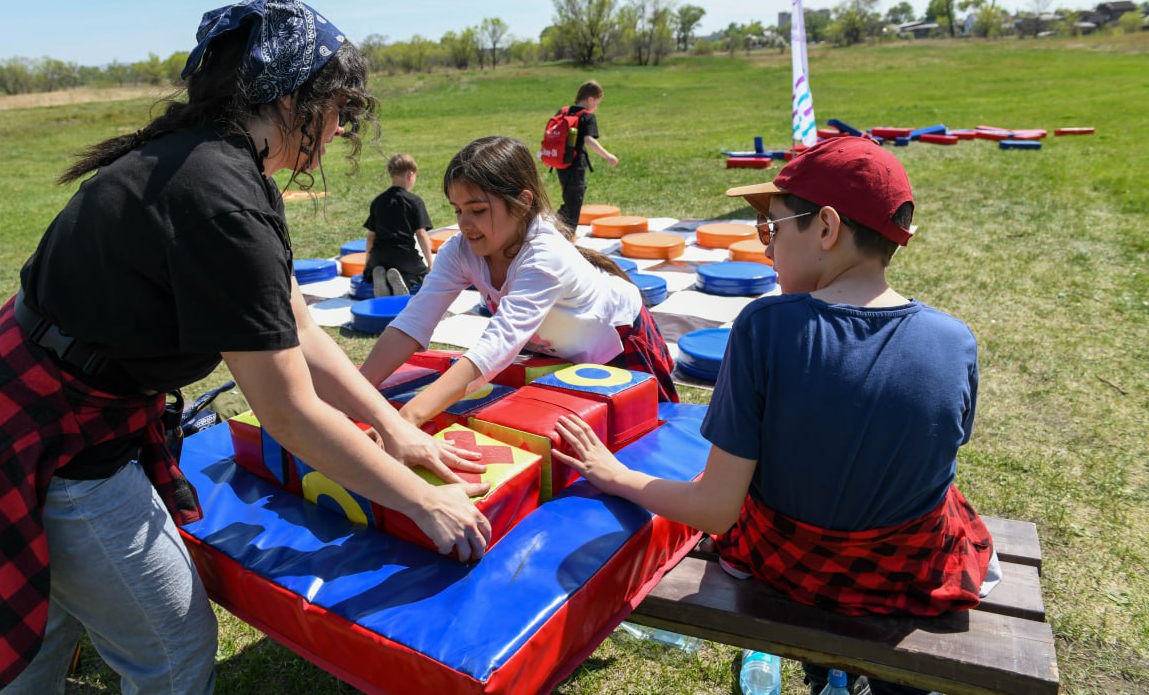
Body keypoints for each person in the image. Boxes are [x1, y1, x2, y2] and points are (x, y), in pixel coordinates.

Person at [0, 0, 491, 695]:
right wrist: (423, 501)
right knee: (171, 648)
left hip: (28, 393)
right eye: (340, 108)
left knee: (41, 630)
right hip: (56, 437)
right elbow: (287, 413)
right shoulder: (220, 197)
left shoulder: (220, 166)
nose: (341, 128)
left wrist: (393, 431)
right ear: (295, 97)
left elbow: (300, 331)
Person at [551, 137, 998, 695]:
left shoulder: (764, 327)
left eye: (774, 229)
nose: (766, 249)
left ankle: (826, 675)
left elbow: (714, 511)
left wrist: (615, 474)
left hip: (791, 569)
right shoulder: (956, 340)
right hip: (908, 573)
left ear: (828, 228)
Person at [359, 135, 677, 428]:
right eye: (457, 210)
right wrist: (357, 392)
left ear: (523, 202)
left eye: (478, 210)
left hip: (619, 339)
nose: (464, 224)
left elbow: (498, 345)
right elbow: (414, 322)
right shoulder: (460, 251)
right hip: (559, 346)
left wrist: (406, 419)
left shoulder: (544, 254)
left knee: (640, 433)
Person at [363, 153, 434, 296]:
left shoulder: (378, 201)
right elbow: (421, 234)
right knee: (422, 275)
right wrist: (430, 263)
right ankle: (404, 281)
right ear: (410, 175)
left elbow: (371, 236)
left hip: (379, 256)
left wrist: (368, 263)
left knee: (369, 273)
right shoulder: (415, 201)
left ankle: (381, 278)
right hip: (404, 256)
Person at [554, 80, 618, 233]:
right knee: (574, 204)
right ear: (590, 99)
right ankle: (565, 235)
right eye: (597, 103)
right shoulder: (586, 116)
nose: (596, 107)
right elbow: (588, 140)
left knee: (569, 199)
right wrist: (608, 156)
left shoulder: (563, 111)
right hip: (575, 165)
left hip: (559, 163)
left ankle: (556, 228)